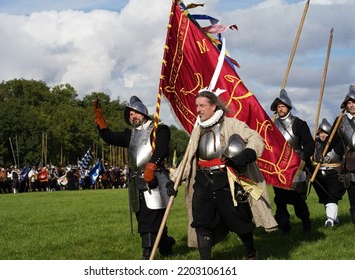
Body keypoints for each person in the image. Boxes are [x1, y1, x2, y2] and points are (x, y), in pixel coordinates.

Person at [167, 90, 277, 260]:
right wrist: (173, 180)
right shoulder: (198, 130)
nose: (198, 109)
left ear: (213, 106)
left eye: (202, 105)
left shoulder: (232, 124)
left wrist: (248, 153)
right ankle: (206, 263)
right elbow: (189, 158)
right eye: (197, 106)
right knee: (201, 222)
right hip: (202, 180)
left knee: (238, 220)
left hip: (226, 179)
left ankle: (250, 253)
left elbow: (255, 138)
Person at [93, 95, 175, 260]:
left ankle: (148, 254)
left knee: (150, 218)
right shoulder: (129, 135)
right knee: (147, 217)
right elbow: (109, 137)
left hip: (155, 178)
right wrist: (100, 121)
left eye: (135, 113)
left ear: (144, 113)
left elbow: (162, 149)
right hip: (137, 181)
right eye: (130, 115)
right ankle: (166, 244)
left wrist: (151, 166)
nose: (133, 117)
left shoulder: (159, 129)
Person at [270, 89, 314, 234]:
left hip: (297, 166)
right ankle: (284, 227)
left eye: (283, 106)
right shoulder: (272, 125)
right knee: (280, 200)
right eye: (278, 106)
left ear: (288, 107)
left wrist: (301, 160)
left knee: (298, 199)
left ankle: (306, 223)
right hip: (280, 167)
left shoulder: (299, 124)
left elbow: (309, 145)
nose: (280, 109)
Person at [311, 118, 344, 227]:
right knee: (326, 198)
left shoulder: (337, 144)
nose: (323, 135)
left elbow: (338, 154)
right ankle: (334, 218)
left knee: (332, 196)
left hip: (334, 172)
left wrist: (328, 156)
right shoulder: (315, 143)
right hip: (319, 174)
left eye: (325, 133)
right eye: (321, 133)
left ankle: (329, 220)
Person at [336, 84, 355, 223]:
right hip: (349, 163)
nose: (352, 105)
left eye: (354, 102)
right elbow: (333, 142)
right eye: (349, 103)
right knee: (353, 198)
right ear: (345, 105)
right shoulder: (340, 121)